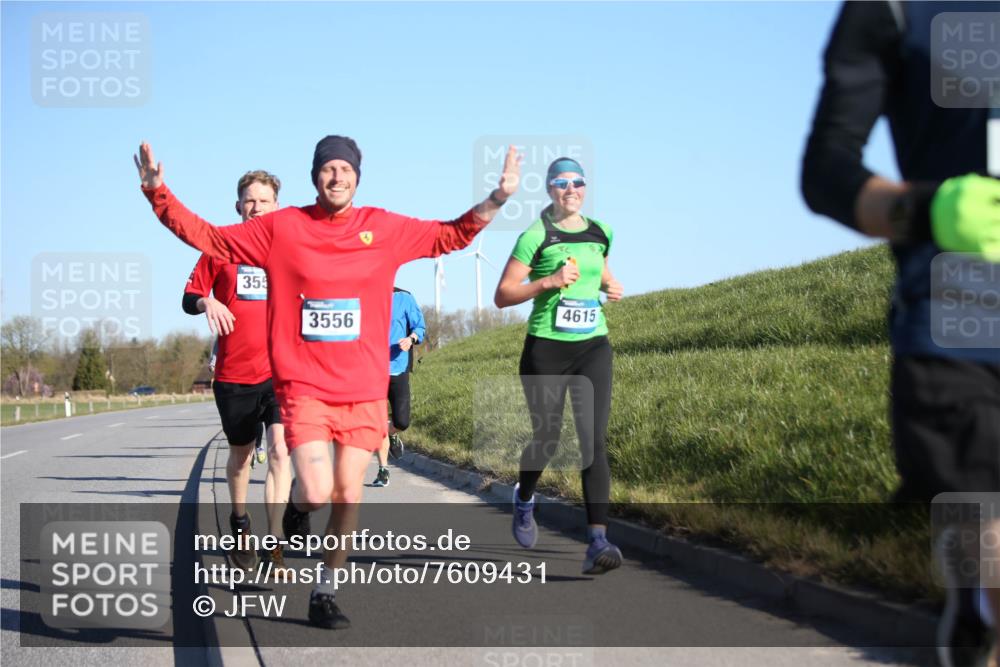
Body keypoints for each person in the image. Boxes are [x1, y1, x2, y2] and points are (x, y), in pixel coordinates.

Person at [136, 136, 521, 629]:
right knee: (316, 489)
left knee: (347, 492)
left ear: (358, 176)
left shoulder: (383, 228)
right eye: (327, 169)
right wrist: (157, 192)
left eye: (345, 169)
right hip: (304, 388)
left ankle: (325, 590)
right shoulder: (282, 228)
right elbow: (208, 237)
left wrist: (496, 199)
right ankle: (298, 511)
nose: (337, 177)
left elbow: (451, 236)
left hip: (363, 389)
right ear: (314, 175)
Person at [801, 3, 1000, 666]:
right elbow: (826, 171)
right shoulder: (888, 9)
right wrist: (929, 209)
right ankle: (978, 612)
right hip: (959, 321)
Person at [494, 157, 624, 575]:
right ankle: (525, 498)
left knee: (593, 440)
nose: (571, 189)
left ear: (585, 187)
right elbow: (503, 294)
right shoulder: (536, 235)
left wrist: (610, 284)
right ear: (550, 189)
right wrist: (548, 282)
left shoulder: (600, 231)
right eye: (561, 182)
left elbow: (599, 269)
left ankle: (598, 540)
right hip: (546, 350)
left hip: (592, 347)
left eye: (578, 182)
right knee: (547, 438)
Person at [182, 170, 291, 574]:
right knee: (242, 457)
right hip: (234, 375)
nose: (256, 206)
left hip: (281, 374)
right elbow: (190, 294)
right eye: (249, 200)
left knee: (281, 450)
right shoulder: (219, 246)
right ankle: (239, 522)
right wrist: (206, 303)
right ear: (237, 206)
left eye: (264, 200)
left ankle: (275, 542)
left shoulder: (288, 248)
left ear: (275, 206)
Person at [371, 286, 426, 488]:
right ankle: (383, 470)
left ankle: (393, 433)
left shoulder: (404, 298)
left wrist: (411, 339)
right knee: (378, 424)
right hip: (372, 372)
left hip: (398, 368)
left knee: (402, 422)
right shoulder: (364, 296)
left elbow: (419, 327)